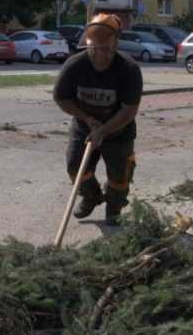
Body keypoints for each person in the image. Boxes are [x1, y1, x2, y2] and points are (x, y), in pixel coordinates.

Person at [53, 13, 143, 226]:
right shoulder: (75, 65)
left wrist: (103, 131)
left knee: (120, 176)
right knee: (75, 166)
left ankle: (114, 208)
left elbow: (129, 110)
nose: (99, 56)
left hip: (119, 131)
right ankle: (91, 195)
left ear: (115, 45)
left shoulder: (129, 69)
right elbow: (61, 97)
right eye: (94, 50)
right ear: (87, 44)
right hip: (84, 126)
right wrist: (87, 119)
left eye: (105, 50)